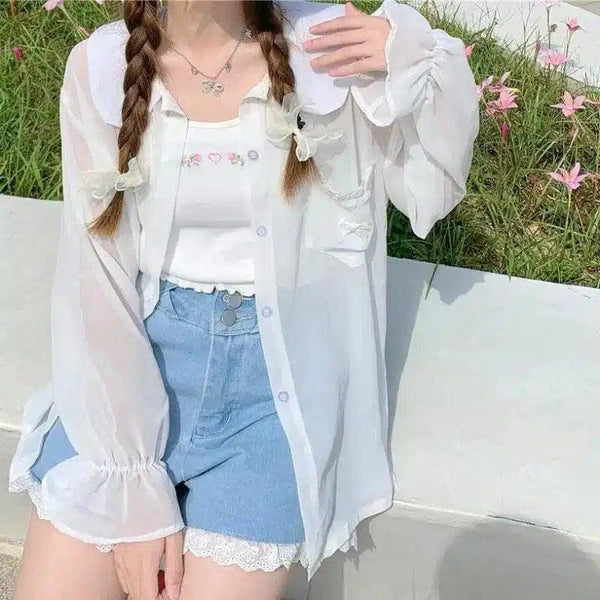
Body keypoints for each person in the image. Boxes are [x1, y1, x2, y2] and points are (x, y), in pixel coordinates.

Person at [8, 0, 479, 598]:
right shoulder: (101, 68)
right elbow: (96, 273)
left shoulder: (327, 53)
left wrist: (410, 59)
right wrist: (132, 482)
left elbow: (432, 190)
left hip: (278, 394)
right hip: (137, 366)